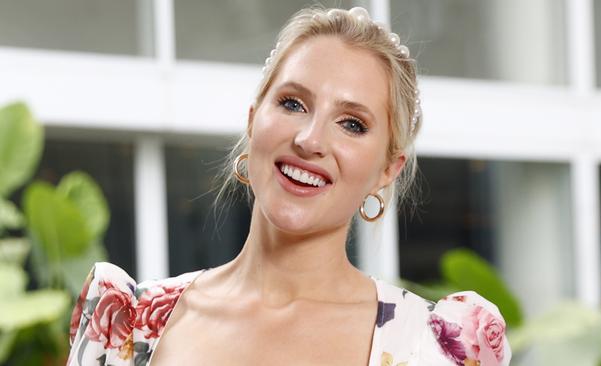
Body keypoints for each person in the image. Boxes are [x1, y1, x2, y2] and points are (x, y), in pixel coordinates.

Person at [67, 6, 511, 366]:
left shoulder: (437, 347)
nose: (310, 139)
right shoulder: (127, 322)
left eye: (352, 124)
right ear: (252, 120)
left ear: (387, 170)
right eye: (293, 103)